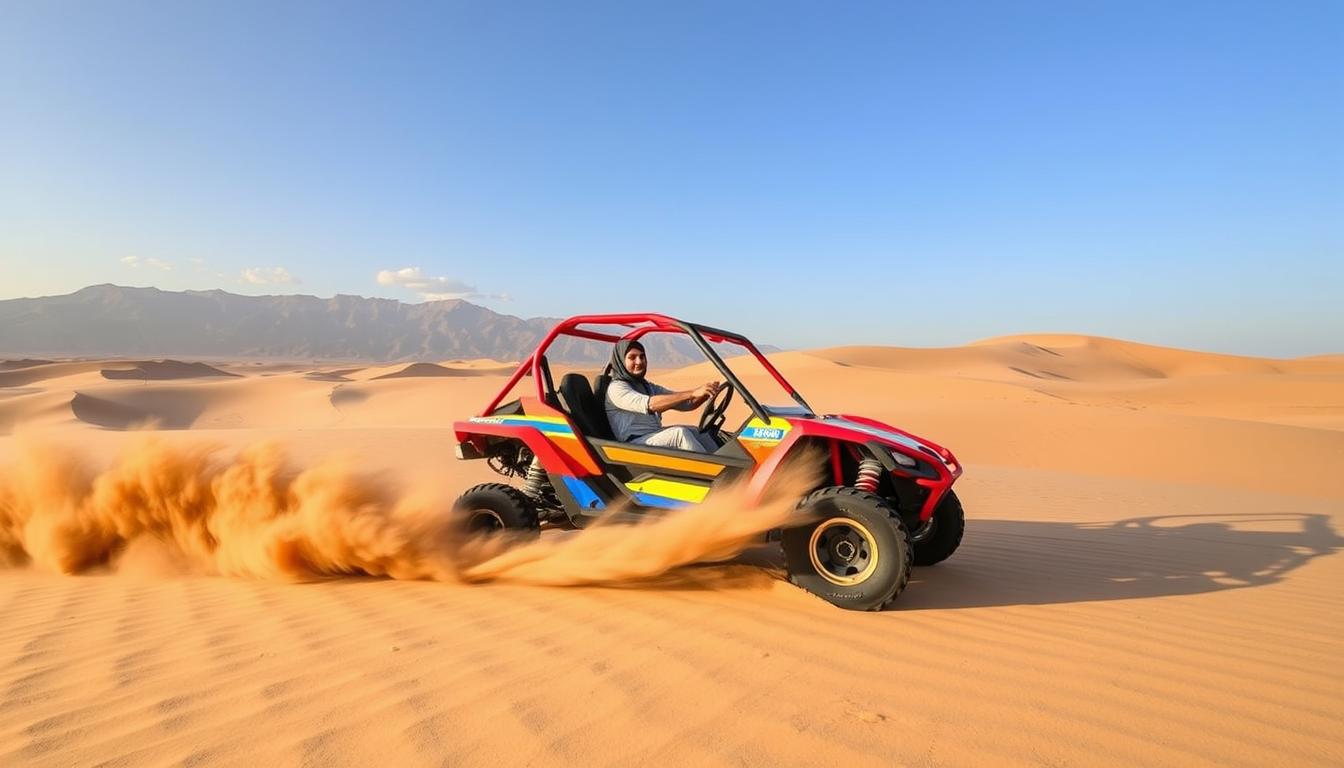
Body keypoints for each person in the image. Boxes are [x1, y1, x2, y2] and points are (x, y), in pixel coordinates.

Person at [604, 338, 723, 453]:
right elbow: (650, 405)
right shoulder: (617, 388)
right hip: (632, 445)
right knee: (679, 434)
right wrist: (692, 393)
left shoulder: (647, 387)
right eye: (632, 358)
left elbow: (686, 404)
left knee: (697, 431)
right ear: (621, 362)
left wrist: (706, 393)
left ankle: (727, 465)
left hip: (653, 436)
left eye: (642, 356)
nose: (639, 362)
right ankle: (714, 472)